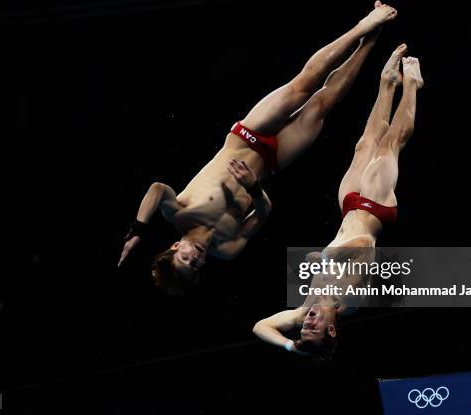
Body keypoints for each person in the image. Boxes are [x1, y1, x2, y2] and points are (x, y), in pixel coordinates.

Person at [118, 2, 399, 295]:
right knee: (323, 104)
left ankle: (364, 24)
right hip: (273, 160)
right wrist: (253, 188)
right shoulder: (226, 248)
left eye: (186, 258)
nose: (198, 257)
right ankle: (372, 38)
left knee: (305, 83)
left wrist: (138, 229)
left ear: (176, 246)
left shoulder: (179, 214)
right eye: (197, 265)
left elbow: (157, 189)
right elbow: (265, 212)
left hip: (247, 135)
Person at [253, 44, 423, 358]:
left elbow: (261, 326)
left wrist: (292, 345)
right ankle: (412, 85)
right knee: (389, 144)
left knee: (365, 143)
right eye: (313, 329)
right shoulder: (352, 300)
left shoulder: (305, 309)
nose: (307, 324)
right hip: (376, 210)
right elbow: (362, 246)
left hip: (349, 206)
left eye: (303, 329)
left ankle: (388, 83)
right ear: (332, 329)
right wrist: (328, 257)